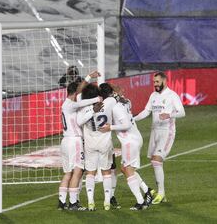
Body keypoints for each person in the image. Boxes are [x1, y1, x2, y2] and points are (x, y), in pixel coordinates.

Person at [99, 84, 155, 210]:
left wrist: (111, 127)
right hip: (133, 139)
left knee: (128, 170)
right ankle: (147, 191)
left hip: (130, 141)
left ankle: (141, 202)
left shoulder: (117, 107)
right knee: (125, 169)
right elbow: (126, 102)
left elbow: (126, 125)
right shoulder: (125, 103)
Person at [134, 72, 185, 204]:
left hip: (167, 132)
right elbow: (146, 111)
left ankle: (161, 194)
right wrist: (132, 119)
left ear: (164, 81)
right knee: (154, 161)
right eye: (154, 82)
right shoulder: (153, 95)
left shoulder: (172, 95)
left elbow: (182, 112)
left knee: (157, 160)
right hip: (154, 131)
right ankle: (162, 194)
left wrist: (169, 115)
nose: (155, 84)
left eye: (157, 82)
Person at [58, 71, 101, 211]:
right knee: (78, 171)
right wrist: (97, 99)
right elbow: (83, 101)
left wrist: (89, 76)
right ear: (75, 92)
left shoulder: (66, 104)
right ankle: (73, 203)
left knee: (68, 173)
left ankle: (62, 202)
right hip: (74, 141)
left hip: (65, 141)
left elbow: (80, 89)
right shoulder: (71, 104)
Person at [76, 83, 117, 211]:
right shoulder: (109, 103)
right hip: (105, 142)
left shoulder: (84, 108)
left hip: (90, 143)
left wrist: (92, 110)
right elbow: (116, 100)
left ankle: (90, 202)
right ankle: (106, 202)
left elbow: (79, 122)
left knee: (90, 173)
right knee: (106, 172)